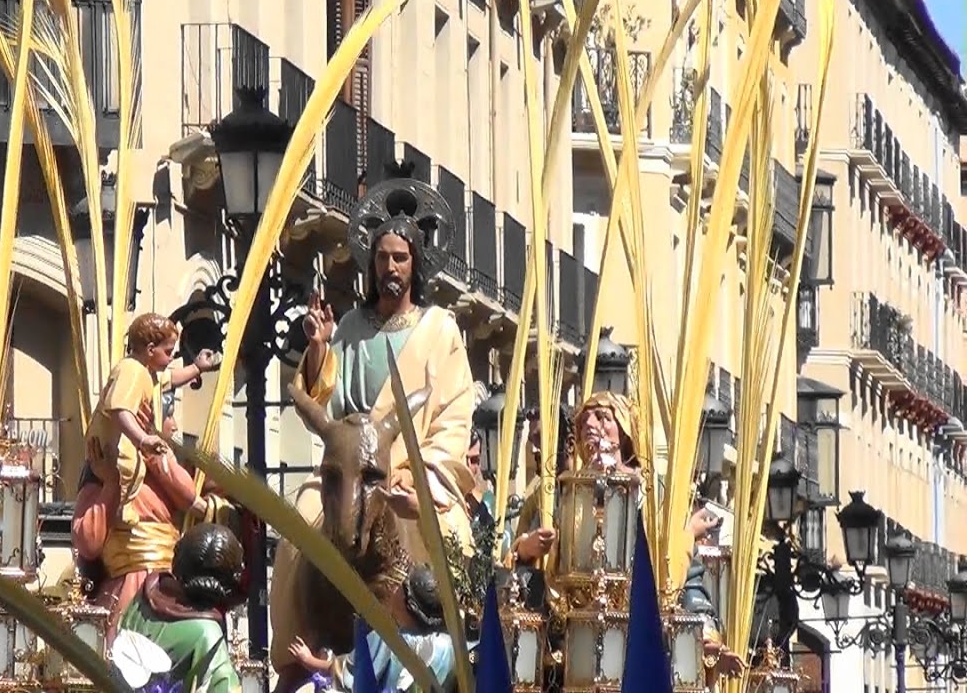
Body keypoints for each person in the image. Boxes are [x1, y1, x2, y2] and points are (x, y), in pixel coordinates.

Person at [269, 178, 477, 683]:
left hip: (410, 473)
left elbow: (451, 417)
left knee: (454, 534)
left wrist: (417, 473)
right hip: (347, 471)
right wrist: (318, 347)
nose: (390, 268)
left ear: (416, 264)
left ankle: (458, 639)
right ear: (371, 263)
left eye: (401, 258)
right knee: (299, 522)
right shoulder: (350, 329)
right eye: (382, 258)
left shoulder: (440, 329)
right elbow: (325, 402)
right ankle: (292, 647)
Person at [511, 391, 744, 679]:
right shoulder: (559, 495)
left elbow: (689, 581)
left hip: (641, 637)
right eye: (584, 420)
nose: (591, 425)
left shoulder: (656, 501)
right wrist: (525, 549)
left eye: (603, 418)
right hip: (574, 647)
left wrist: (705, 639)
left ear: (623, 430)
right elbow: (520, 573)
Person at [70, 312, 229, 640]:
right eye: (166, 415)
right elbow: (86, 541)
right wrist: (117, 475)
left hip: (167, 581)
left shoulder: (158, 455)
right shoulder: (131, 378)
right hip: (127, 589)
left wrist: (198, 368)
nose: (171, 423)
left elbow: (186, 494)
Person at [114, 523, 245, 692]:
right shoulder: (207, 633)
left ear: (177, 558)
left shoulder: (142, 601)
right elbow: (223, 686)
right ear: (231, 580)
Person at [288, 565, 456, 693]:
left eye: (402, 585)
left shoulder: (390, 641)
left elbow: (350, 675)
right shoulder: (449, 647)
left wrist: (308, 660)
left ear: (406, 601)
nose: (395, 587)